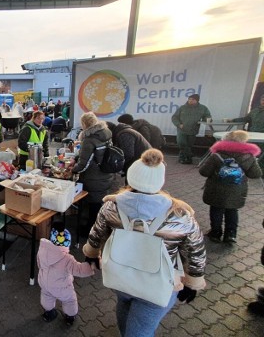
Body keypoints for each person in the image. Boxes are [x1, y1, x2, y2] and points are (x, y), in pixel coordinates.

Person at [83, 149, 207, 337]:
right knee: (140, 330)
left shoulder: (111, 206)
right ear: (160, 181)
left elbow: (96, 234)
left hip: (120, 276)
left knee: (124, 305)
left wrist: (91, 254)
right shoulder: (180, 215)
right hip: (159, 285)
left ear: (131, 178)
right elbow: (196, 251)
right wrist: (192, 282)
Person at [198, 130, 262, 243]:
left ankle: (215, 233)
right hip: (237, 190)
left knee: (216, 210)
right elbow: (255, 174)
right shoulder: (249, 156)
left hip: (216, 189)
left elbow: (204, 172)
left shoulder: (216, 155)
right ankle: (230, 234)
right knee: (232, 211)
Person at [38, 222, 95, 326]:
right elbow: (79, 270)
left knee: (46, 295)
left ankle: (48, 313)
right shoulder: (67, 259)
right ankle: (70, 317)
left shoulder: (42, 250)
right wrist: (90, 266)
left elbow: (39, 264)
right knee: (69, 299)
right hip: (61, 287)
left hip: (44, 282)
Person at [70, 112, 114, 230]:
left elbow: (84, 164)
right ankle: (96, 223)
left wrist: (72, 170)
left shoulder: (89, 140)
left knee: (94, 203)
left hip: (93, 177)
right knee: (98, 203)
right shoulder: (105, 133)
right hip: (105, 173)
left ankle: (90, 229)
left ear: (84, 124)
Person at [171, 94, 211, 164]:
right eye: (189, 99)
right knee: (181, 143)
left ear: (197, 100)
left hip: (193, 130)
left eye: (192, 99)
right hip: (182, 129)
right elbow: (174, 117)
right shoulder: (182, 108)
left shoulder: (203, 108)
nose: (190, 101)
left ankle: (185, 159)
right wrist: (179, 124)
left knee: (189, 145)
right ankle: (189, 156)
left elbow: (207, 116)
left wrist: (208, 119)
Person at [231, 96, 264, 170]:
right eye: (262, 99)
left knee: (261, 156)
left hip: (263, 138)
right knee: (249, 153)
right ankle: (248, 168)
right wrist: (233, 120)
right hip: (253, 136)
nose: (263, 101)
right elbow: (246, 119)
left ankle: (260, 171)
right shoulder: (255, 111)